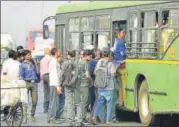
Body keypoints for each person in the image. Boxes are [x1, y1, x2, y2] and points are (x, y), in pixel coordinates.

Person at [92, 47, 118, 125]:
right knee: (109, 104)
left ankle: (95, 116)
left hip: (100, 86)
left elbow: (95, 72)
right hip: (109, 87)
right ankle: (108, 120)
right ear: (109, 55)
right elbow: (113, 74)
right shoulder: (111, 64)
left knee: (100, 102)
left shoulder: (99, 62)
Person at [58, 50, 82, 126]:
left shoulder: (65, 63)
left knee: (69, 103)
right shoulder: (78, 62)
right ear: (75, 55)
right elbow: (79, 74)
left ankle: (71, 121)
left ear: (68, 55)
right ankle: (79, 120)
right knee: (78, 103)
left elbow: (61, 75)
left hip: (67, 85)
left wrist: (59, 85)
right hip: (76, 85)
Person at [19, 50, 38, 122]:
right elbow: (21, 76)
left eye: (30, 55)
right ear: (24, 56)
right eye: (28, 55)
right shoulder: (22, 65)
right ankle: (24, 117)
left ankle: (32, 115)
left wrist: (36, 64)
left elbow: (37, 72)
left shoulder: (33, 63)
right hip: (26, 83)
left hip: (34, 83)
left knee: (35, 100)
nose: (30, 56)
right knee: (25, 101)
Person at [47, 48, 61, 124]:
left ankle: (50, 117)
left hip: (53, 83)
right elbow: (55, 74)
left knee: (53, 101)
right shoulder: (54, 61)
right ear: (56, 52)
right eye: (58, 51)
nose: (59, 52)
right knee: (54, 102)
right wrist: (58, 86)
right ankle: (52, 118)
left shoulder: (53, 61)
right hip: (54, 84)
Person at [40, 48, 51, 113]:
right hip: (49, 75)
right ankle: (50, 107)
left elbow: (41, 70)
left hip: (43, 76)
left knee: (46, 92)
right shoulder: (50, 59)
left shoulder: (42, 60)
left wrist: (41, 78)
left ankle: (45, 108)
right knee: (51, 92)